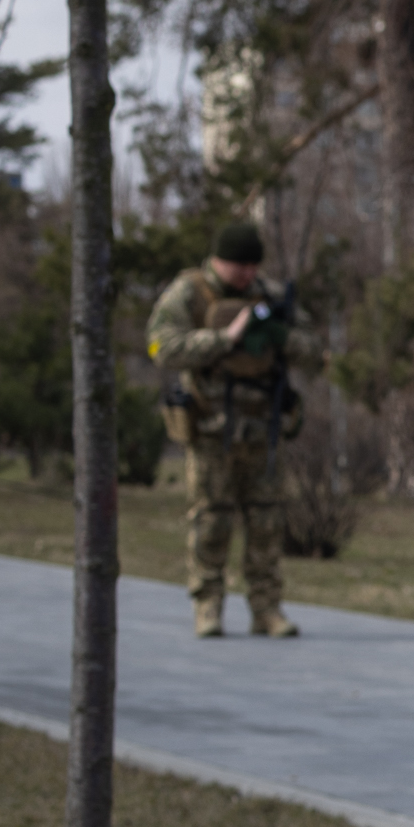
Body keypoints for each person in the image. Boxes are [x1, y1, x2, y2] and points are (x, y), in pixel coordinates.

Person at [147, 221, 311, 639]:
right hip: (209, 429)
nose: (246, 274)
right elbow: (160, 346)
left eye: (253, 265)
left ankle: (267, 609)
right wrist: (224, 339)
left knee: (266, 523)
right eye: (239, 265)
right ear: (218, 260)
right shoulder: (190, 292)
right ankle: (208, 607)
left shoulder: (272, 296)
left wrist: (281, 337)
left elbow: (313, 350)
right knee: (211, 521)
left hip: (261, 429)